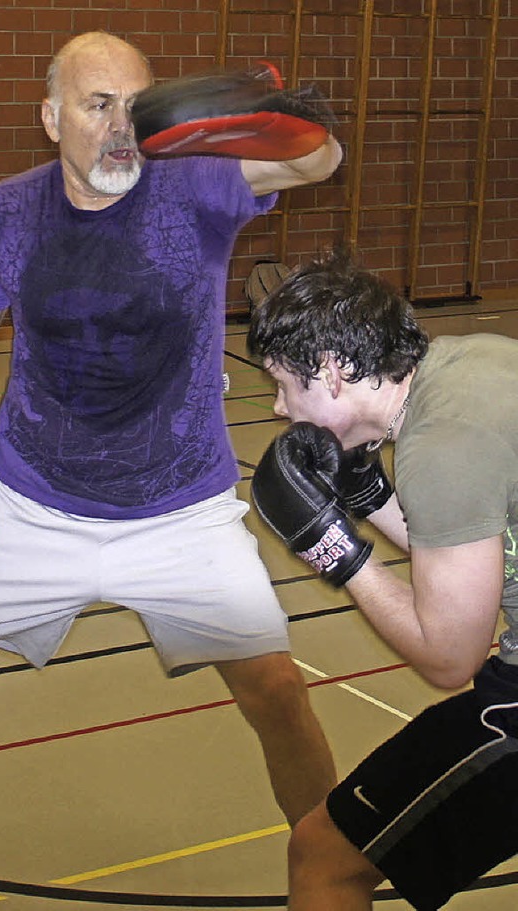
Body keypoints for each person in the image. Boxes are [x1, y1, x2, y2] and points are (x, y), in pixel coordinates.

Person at [0, 32, 344, 830]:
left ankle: (333, 858)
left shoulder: (195, 185)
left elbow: (319, 163)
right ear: (52, 118)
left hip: (180, 506)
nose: (122, 126)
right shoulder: (7, 212)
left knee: (277, 691)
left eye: (138, 104)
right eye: (100, 106)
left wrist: (254, 110)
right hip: (32, 503)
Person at [247, 247, 518, 910]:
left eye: (284, 384)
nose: (280, 408)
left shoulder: (441, 447)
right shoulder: (474, 361)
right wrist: (367, 496)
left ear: (334, 371)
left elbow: (450, 655)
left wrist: (339, 554)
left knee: (322, 858)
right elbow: (476, 539)